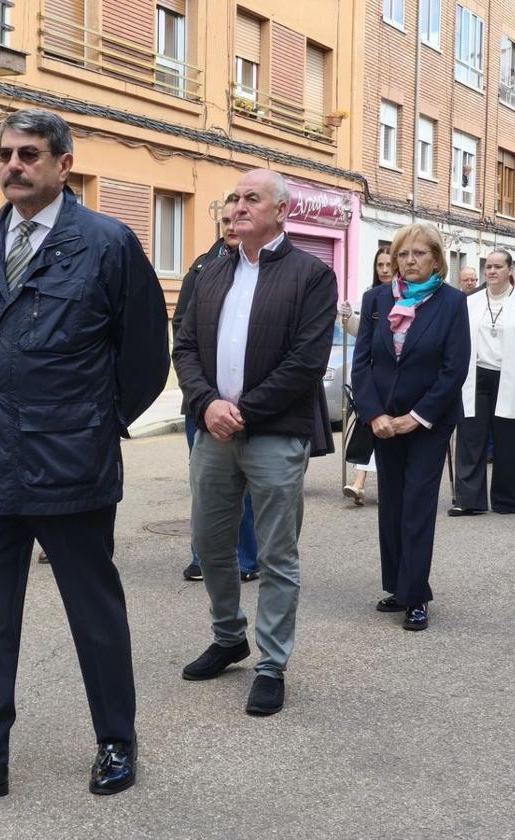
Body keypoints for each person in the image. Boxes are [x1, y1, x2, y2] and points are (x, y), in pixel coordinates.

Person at [0, 110, 168, 812]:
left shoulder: (107, 244)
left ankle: (116, 740)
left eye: (28, 154)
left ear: (62, 164)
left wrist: (91, 427)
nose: (13, 165)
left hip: (70, 465)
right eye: (5, 154)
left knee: (93, 611)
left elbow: (143, 361)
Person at [173, 168, 336, 717]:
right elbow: (186, 347)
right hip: (214, 430)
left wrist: (241, 410)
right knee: (212, 543)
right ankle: (228, 637)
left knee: (275, 554)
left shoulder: (312, 275)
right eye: (234, 198)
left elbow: (307, 361)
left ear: (281, 212)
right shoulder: (211, 272)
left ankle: (271, 664)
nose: (238, 206)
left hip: (272, 434)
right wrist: (206, 404)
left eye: (252, 198)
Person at [351, 223, 469, 632]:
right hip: (384, 421)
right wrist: (374, 414)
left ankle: (416, 595)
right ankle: (398, 586)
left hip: (428, 423)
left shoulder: (452, 303)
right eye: (403, 254)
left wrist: (415, 418)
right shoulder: (376, 300)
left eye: (419, 254)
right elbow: (362, 362)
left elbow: (454, 369)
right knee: (392, 506)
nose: (409, 261)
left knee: (417, 508)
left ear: (436, 259)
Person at [175, 196, 259, 582]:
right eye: (224, 219)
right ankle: (202, 555)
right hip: (202, 403)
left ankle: (245, 557)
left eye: (236, 218)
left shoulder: (262, 270)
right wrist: (203, 395)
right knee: (205, 485)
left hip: (248, 404)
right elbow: (183, 333)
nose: (229, 226)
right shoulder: (202, 269)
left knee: (246, 486)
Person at [451, 249, 515, 516]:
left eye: (497, 267)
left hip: (511, 377)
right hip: (477, 375)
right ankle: (469, 500)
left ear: (509, 270)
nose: (491, 271)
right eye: (488, 267)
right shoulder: (471, 301)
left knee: (509, 440)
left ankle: (508, 500)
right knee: (470, 437)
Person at [338, 245, 391, 505]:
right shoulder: (372, 296)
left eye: (388, 264)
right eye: (379, 265)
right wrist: (348, 319)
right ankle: (358, 484)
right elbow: (361, 334)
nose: (383, 270)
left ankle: (367, 484)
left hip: (394, 378)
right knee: (369, 428)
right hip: (371, 375)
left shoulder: (407, 297)